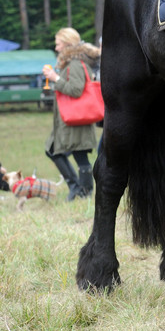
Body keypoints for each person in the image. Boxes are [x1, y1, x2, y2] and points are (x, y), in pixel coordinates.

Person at [41, 28, 101, 201]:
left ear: (67, 44)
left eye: (58, 43)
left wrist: (55, 78)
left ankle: (83, 191)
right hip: (70, 119)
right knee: (55, 150)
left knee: (78, 155)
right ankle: (77, 188)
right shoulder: (72, 63)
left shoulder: (75, 64)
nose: (56, 47)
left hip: (76, 119)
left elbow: (75, 90)